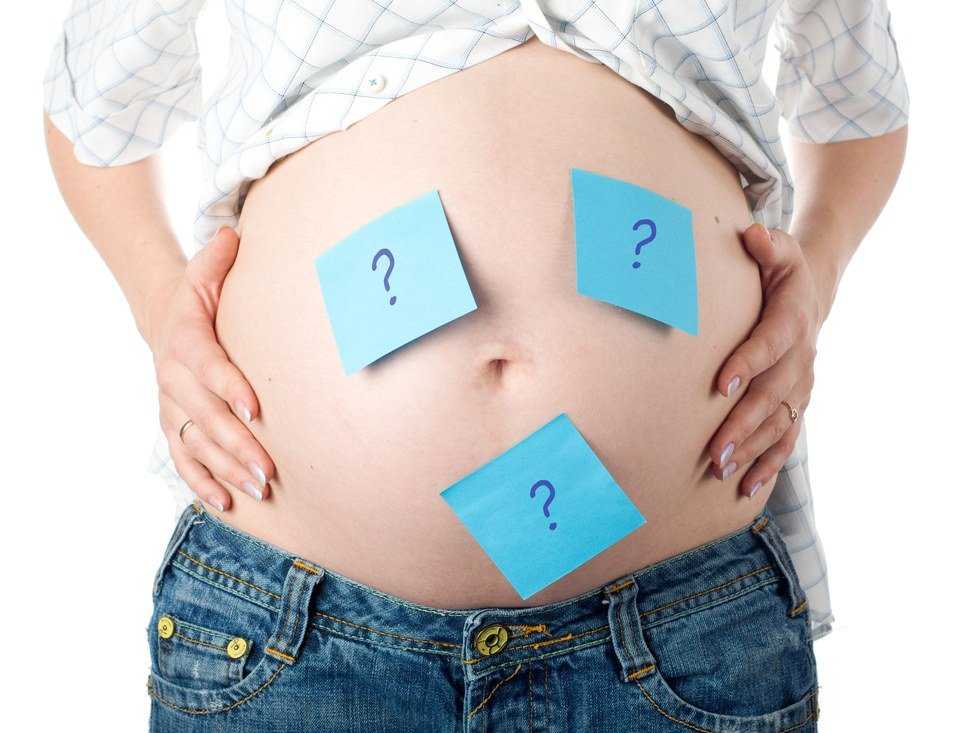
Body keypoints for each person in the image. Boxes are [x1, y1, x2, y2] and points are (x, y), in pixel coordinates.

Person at [43, 0, 908, 729]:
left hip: (677, 633)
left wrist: (816, 279)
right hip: (292, 631)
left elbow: (858, 106)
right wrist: (162, 308)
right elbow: (93, 107)